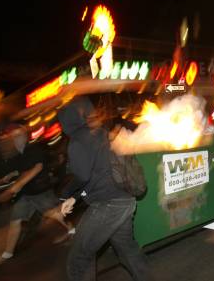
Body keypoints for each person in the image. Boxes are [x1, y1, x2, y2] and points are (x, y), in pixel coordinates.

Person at [58, 97, 154, 280]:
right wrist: (76, 197)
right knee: (128, 251)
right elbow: (98, 176)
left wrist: (65, 195)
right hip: (125, 200)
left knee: (79, 258)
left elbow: (83, 177)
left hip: (107, 205)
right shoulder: (100, 133)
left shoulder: (77, 142)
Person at [0, 125, 74, 269]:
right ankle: (7, 254)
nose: (16, 138)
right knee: (15, 221)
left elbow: (37, 167)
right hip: (26, 195)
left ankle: (70, 229)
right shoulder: (18, 154)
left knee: (53, 214)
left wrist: (17, 186)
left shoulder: (33, 149)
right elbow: (17, 171)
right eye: (13, 136)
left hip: (40, 192)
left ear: (25, 136)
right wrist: (3, 181)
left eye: (18, 135)